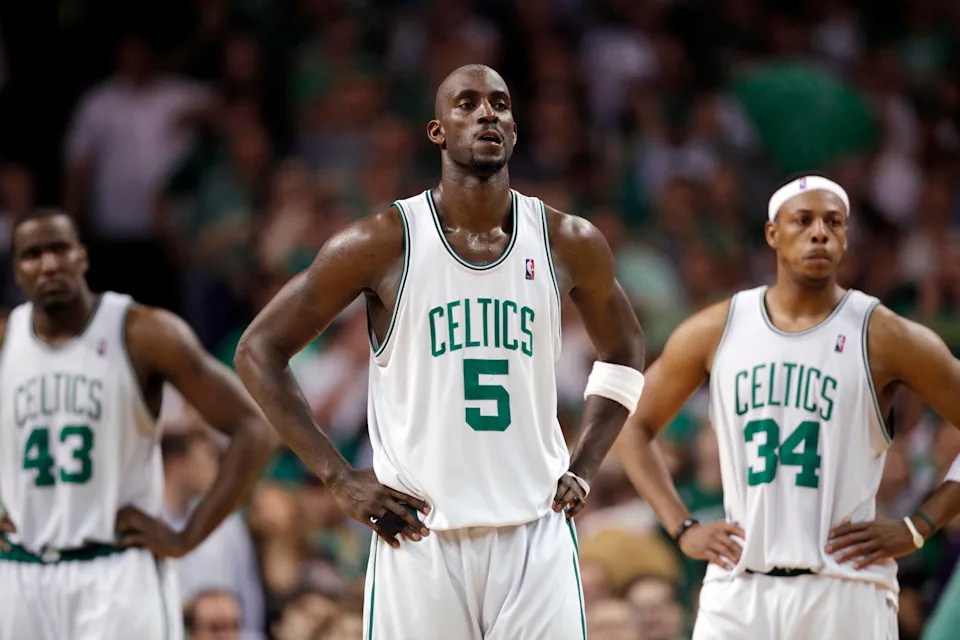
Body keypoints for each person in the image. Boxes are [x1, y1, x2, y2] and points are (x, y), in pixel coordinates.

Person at [234, 64, 645, 639]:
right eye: (467, 103)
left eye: (500, 104)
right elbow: (258, 350)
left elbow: (625, 350)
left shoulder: (566, 240)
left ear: (515, 130)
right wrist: (337, 477)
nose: (486, 114)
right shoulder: (383, 240)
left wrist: (587, 464)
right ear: (437, 131)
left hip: (535, 533)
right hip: (421, 536)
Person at [614, 174, 960, 639]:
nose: (819, 232)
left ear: (845, 237)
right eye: (803, 220)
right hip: (738, 589)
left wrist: (920, 525)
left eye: (833, 222)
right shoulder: (717, 329)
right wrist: (683, 528)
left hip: (844, 588)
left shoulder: (885, 334)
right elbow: (632, 423)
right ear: (772, 234)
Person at [0, 208, 276, 640]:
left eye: (58, 249)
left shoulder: (142, 333)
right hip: (21, 570)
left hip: (117, 571)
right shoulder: (6, 339)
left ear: (82, 256)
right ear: (17, 269)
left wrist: (187, 537)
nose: (48, 264)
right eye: (32, 255)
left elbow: (254, 430)